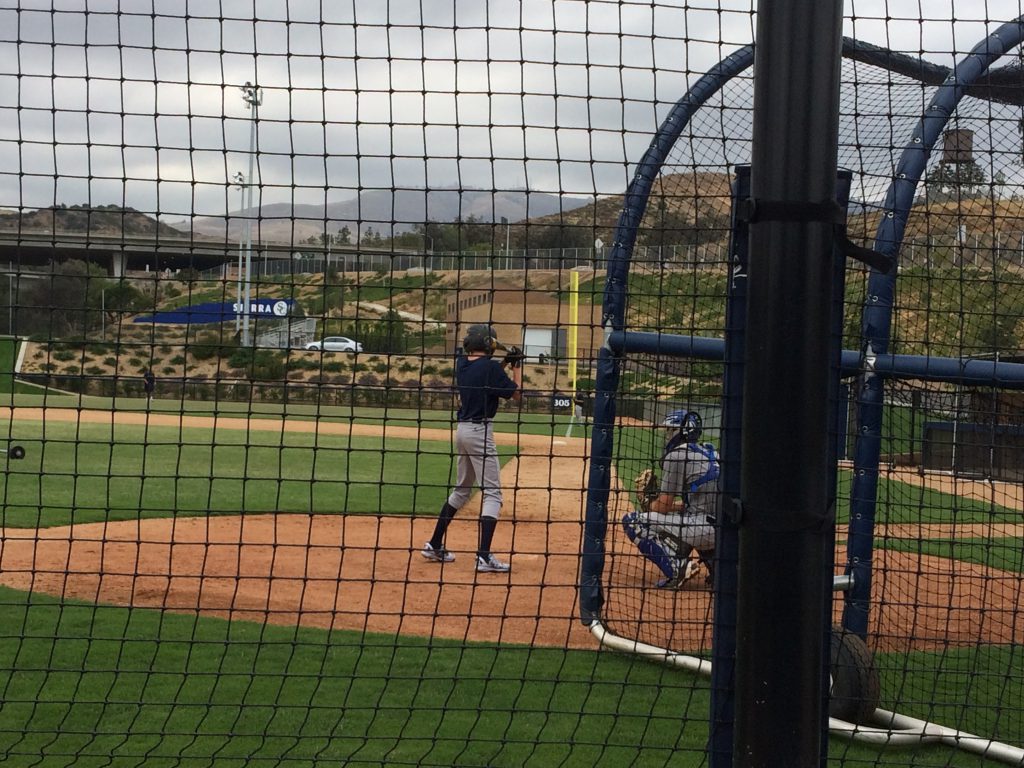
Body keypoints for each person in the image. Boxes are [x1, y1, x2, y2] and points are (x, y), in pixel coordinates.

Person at [422, 323, 523, 573]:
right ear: (487, 344)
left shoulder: (462, 363)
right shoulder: (489, 366)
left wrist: (503, 363)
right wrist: (517, 366)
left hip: (463, 431)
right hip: (480, 432)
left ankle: (434, 544)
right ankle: (484, 556)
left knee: (462, 490)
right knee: (493, 494)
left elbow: (486, 375)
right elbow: (517, 395)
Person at [622, 410, 720, 588]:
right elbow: (694, 503)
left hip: (704, 531)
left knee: (633, 521)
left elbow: (662, 507)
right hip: (727, 531)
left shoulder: (677, 455)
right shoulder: (711, 452)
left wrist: (647, 501)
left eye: (670, 430)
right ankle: (720, 571)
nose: (667, 436)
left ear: (683, 431)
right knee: (691, 515)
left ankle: (678, 568)